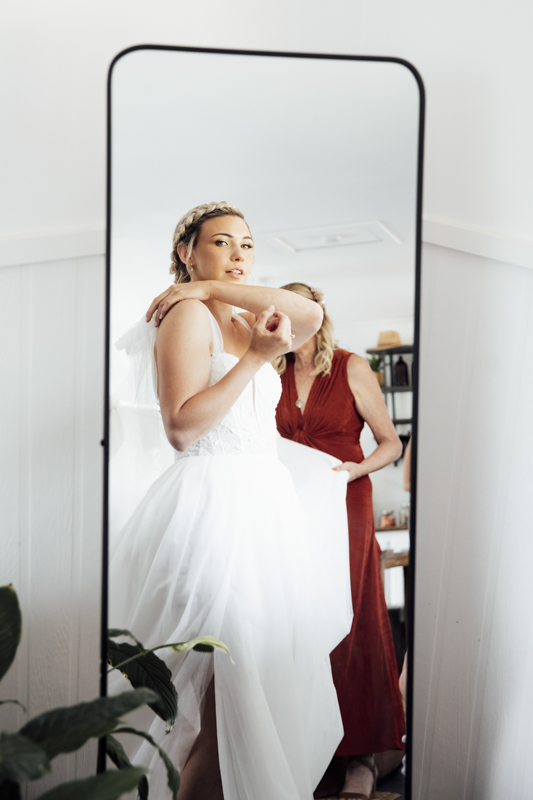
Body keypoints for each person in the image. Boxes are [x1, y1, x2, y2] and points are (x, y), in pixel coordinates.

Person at [109, 203, 353, 800]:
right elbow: (183, 427)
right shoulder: (187, 317)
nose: (241, 254)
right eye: (221, 243)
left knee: (248, 698)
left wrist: (216, 284)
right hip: (212, 512)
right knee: (220, 697)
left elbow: (312, 313)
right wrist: (251, 360)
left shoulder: (245, 316)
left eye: (247, 244)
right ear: (186, 250)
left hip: (262, 515)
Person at [273, 283, 406, 800]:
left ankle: (363, 756)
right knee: (299, 623)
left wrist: (353, 471)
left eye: (296, 312)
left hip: (346, 504)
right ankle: (309, 745)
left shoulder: (351, 366)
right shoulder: (268, 373)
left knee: (353, 619)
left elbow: (390, 443)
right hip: (289, 509)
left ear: (316, 316)